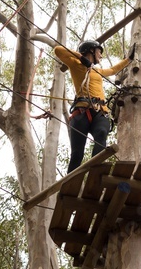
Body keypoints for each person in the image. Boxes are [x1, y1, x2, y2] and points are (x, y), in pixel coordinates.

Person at [55, 40, 129, 173]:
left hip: (100, 112)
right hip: (81, 112)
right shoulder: (75, 64)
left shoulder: (98, 71)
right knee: (77, 154)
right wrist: (81, 58)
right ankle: (69, 183)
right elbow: (58, 50)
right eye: (99, 51)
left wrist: (129, 59)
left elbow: (113, 70)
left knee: (101, 133)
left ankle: (94, 171)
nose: (101, 55)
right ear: (91, 51)